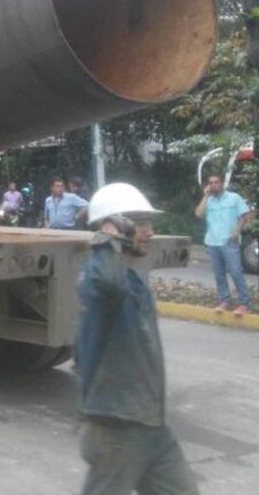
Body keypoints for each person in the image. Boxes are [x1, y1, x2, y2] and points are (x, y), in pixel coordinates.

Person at [75, 183, 198, 494]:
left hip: (152, 426)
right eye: (140, 223)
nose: (150, 231)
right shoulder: (98, 279)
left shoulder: (133, 280)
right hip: (116, 429)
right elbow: (107, 283)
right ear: (114, 226)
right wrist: (108, 237)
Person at [194, 173, 253, 315]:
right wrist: (205, 196)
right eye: (210, 183)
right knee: (219, 274)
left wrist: (237, 231)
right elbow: (198, 214)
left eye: (216, 182)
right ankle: (224, 301)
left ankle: (244, 304)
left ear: (222, 183)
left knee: (236, 272)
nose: (213, 185)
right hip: (212, 242)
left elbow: (244, 216)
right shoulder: (208, 200)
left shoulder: (234, 198)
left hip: (229, 242)